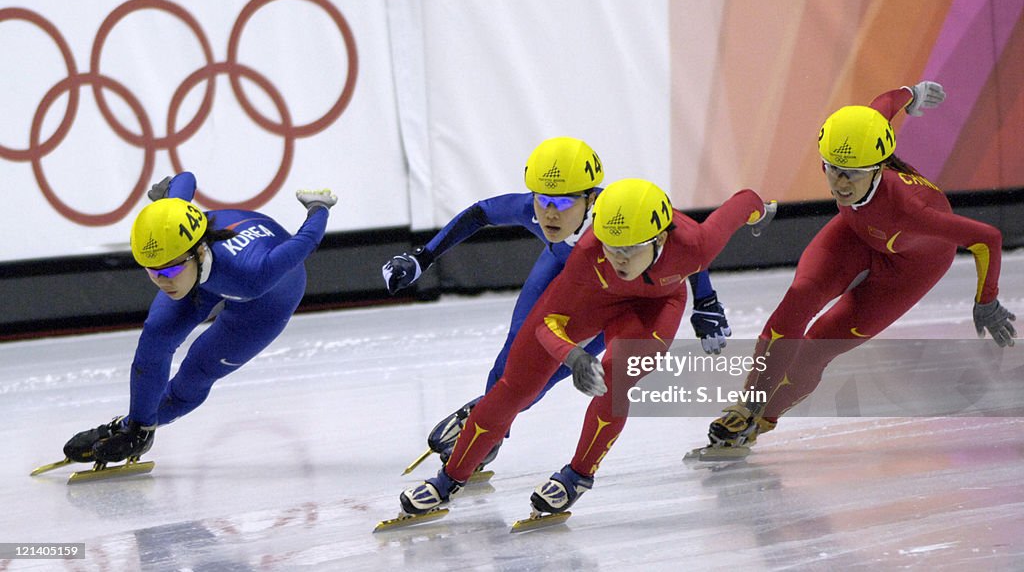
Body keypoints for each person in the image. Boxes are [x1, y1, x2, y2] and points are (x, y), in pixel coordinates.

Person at [398, 177, 774, 517]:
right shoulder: (590, 254)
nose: (619, 258)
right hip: (593, 299)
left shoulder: (697, 245)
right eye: (612, 247)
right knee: (514, 385)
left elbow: (743, 201)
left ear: (660, 239)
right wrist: (574, 356)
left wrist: (761, 210)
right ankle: (448, 481)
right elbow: (549, 324)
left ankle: (577, 476)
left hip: (653, 307)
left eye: (631, 249)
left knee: (616, 381)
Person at [382, 137, 735, 471]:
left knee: (558, 366)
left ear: (589, 197)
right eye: (542, 198)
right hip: (558, 273)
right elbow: (481, 213)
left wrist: (705, 300)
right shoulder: (535, 209)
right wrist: (422, 257)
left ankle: (492, 425)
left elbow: (683, 249)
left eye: (564, 202)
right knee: (515, 353)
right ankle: (488, 430)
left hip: (606, 295)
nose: (550, 212)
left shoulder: (619, 213)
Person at [701, 81, 1017, 453]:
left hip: (909, 271)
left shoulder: (909, 209)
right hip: (856, 233)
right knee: (797, 301)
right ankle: (746, 407)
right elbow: (883, 104)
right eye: (832, 169)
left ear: (879, 167)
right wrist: (912, 94)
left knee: (819, 345)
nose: (839, 183)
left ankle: (761, 421)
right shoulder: (862, 134)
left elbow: (987, 238)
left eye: (852, 173)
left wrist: (986, 300)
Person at [62, 172, 337, 464]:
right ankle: (136, 430)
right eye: (151, 272)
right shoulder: (176, 238)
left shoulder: (253, 276)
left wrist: (318, 207)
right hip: (202, 274)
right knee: (155, 339)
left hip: (271, 296)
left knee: (196, 372)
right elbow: (186, 179)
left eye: (167, 272)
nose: (162, 281)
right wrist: (165, 200)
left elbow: (304, 242)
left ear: (199, 252)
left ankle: (137, 423)